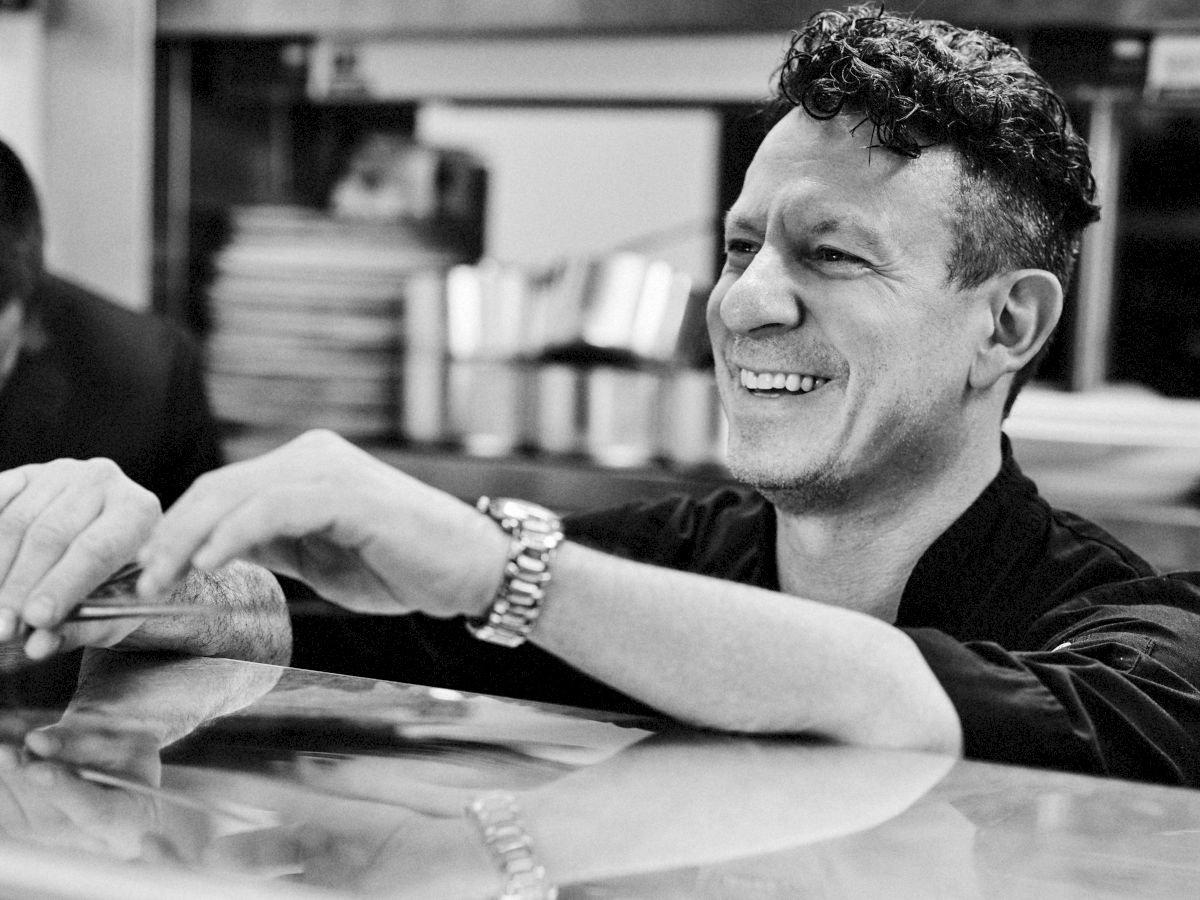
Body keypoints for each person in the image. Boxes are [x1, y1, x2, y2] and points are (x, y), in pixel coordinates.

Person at [13, 5, 1200, 786]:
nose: (743, 305)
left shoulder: (1143, 633)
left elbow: (944, 707)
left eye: (832, 255)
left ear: (1009, 322)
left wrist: (502, 570)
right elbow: (348, 614)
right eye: (740, 250)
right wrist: (132, 567)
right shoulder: (669, 563)